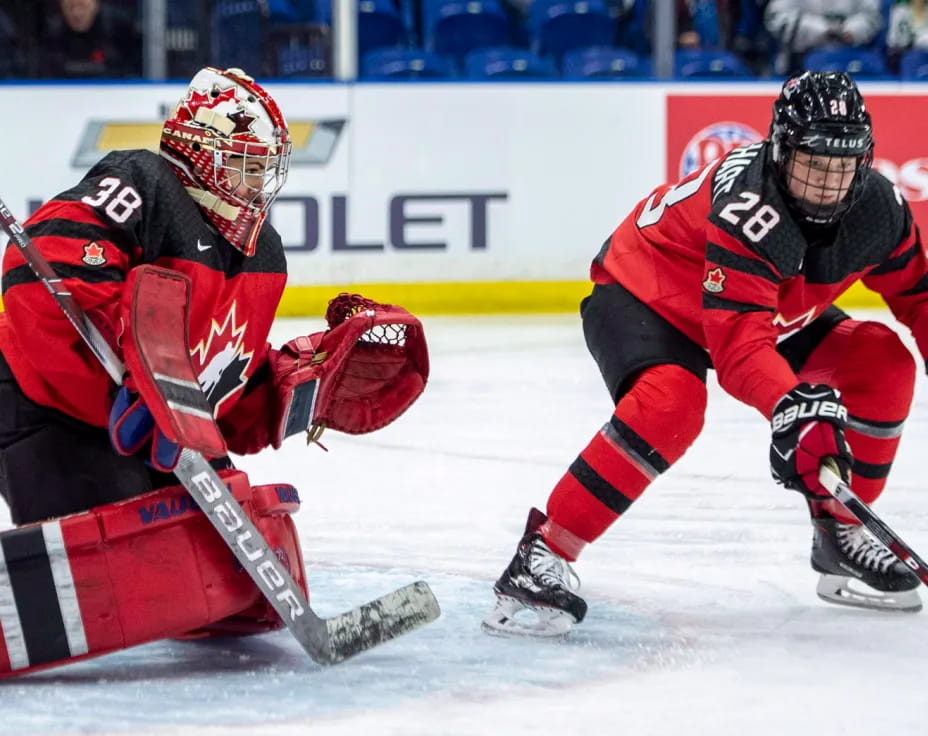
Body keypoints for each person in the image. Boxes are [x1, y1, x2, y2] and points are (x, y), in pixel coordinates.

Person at [0, 67, 428, 675]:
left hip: (146, 439)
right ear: (199, 156)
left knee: (224, 562)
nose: (256, 186)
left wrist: (287, 393)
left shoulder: (264, 256)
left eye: (264, 169)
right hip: (46, 408)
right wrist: (121, 388)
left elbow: (220, 387)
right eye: (244, 165)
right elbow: (39, 274)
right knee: (135, 562)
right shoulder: (143, 185)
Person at [483, 71, 926, 639]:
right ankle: (541, 555)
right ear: (780, 149)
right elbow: (740, 348)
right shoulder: (748, 202)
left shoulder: (880, 211)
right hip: (649, 294)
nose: (826, 184)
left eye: (840, 167)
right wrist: (792, 405)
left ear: (863, 163)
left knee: (883, 362)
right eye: (813, 164)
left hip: (765, 308)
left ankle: (841, 530)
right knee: (672, 404)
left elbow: (920, 298)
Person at [764, 0, 883, 75]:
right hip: (801, 58)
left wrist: (851, 30)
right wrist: (821, 30)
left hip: (852, 52)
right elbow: (776, 19)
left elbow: (872, 15)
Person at [36, 0, 141, 79]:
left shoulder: (118, 30)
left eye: (83, 6)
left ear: (95, 5)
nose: (77, 13)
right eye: (70, 7)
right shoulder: (51, 34)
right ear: (61, 6)